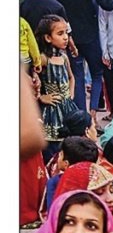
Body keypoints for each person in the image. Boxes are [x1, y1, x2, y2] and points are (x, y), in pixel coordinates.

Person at [34, 15, 77, 158]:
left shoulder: (64, 57)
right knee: (53, 149)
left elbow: (71, 77)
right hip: (52, 112)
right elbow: (31, 81)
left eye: (66, 33)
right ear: (47, 38)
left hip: (67, 107)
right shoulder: (43, 59)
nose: (65, 37)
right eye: (60, 34)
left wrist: (70, 94)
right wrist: (41, 97)